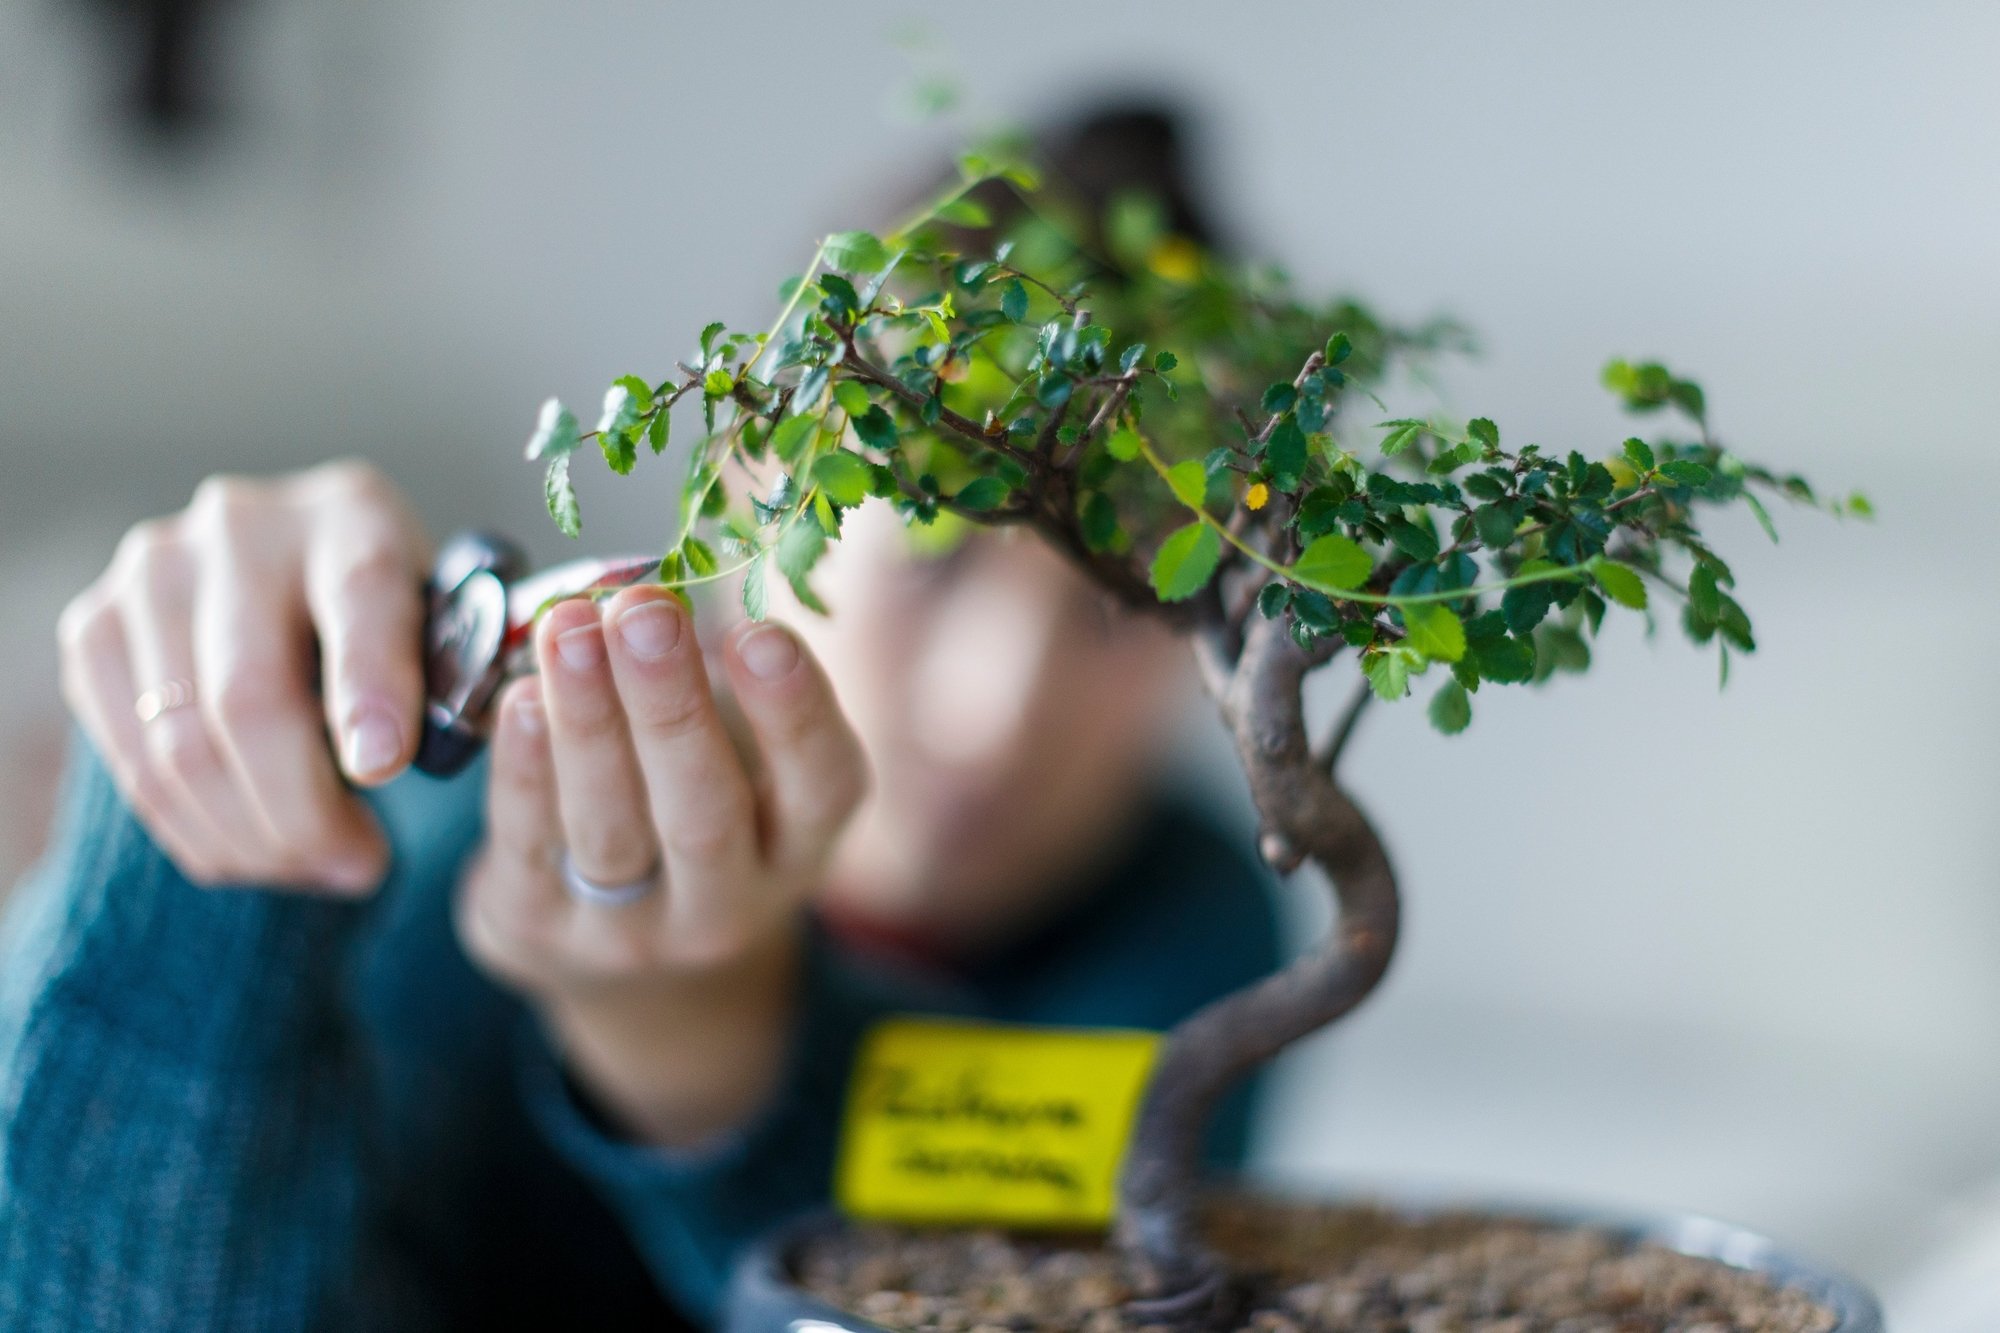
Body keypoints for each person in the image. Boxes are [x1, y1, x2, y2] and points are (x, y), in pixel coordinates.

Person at [0, 108, 1282, 1331]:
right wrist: (201, 858)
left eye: (1125, 608)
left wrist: (720, 1053)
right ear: (741, 494)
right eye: (933, 561)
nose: (992, 714)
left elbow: (1043, 1275)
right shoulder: (433, 842)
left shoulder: (1192, 930)